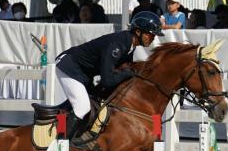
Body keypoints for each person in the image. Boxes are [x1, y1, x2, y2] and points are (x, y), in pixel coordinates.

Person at [54, 11, 163, 143]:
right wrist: (128, 73)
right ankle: (60, 146)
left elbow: (121, 73)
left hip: (83, 73)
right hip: (68, 66)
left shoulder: (130, 46)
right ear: (138, 32)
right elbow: (107, 80)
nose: (153, 38)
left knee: (94, 103)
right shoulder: (118, 45)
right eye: (150, 34)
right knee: (82, 106)